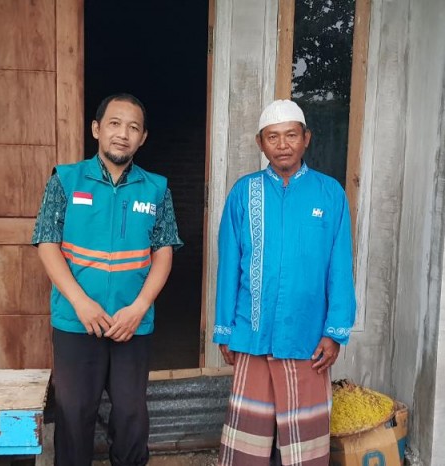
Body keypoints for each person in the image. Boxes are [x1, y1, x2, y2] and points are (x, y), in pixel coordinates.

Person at [32, 93, 182, 466]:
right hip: (77, 321)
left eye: (133, 127)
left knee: (132, 415)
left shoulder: (156, 189)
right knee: (74, 414)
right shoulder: (65, 180)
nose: (123, 134)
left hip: (132, 323)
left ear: (143, 138)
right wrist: (81, 303)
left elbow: (164, 251)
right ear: (97, 129)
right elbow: (47, 243)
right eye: (114, 124)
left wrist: (140, 307)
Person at [213, 99, 356, 465]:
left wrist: (335, 331)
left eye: (291, 135)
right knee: (251, 442)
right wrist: (224, 329)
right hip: (252, 333)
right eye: (272, 137)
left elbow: (339, 268)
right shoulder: (243, 193)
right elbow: (229, 265)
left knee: (301, 445)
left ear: (305, 138)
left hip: (307, 337)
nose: (282, 145)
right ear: (260, 143)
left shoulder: (330, 194)